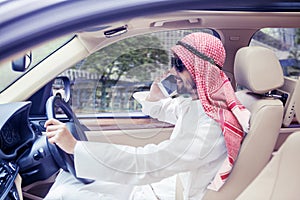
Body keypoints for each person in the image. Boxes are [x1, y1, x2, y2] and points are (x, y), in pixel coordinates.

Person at [44, 32, 250, 200]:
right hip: (160, 186)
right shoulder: (200, 106)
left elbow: (149, 162)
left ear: (200, 70)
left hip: (166, 194)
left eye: (178, 65)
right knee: (67, 178)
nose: (172, 71)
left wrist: (75, 148)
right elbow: (163, 109)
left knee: (63, 193)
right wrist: (155, 95)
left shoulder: (210, 127)